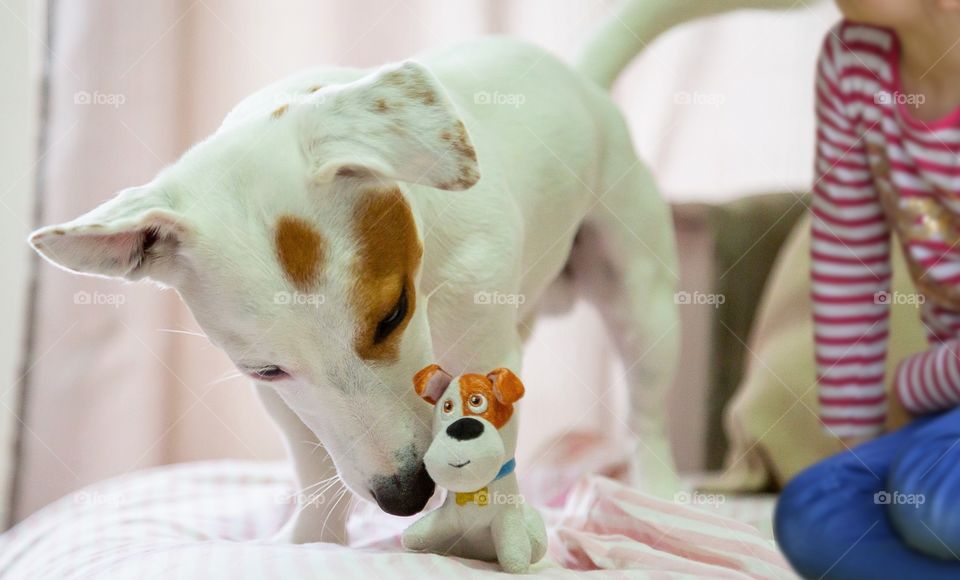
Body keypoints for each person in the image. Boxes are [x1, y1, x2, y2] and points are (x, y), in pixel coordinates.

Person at [774, 1, 960, 577]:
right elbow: (846, 262)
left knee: (934, 505)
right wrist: (855, 441)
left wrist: (914, 381)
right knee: (816, 510)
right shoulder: (853, 62)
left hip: (941, 396)